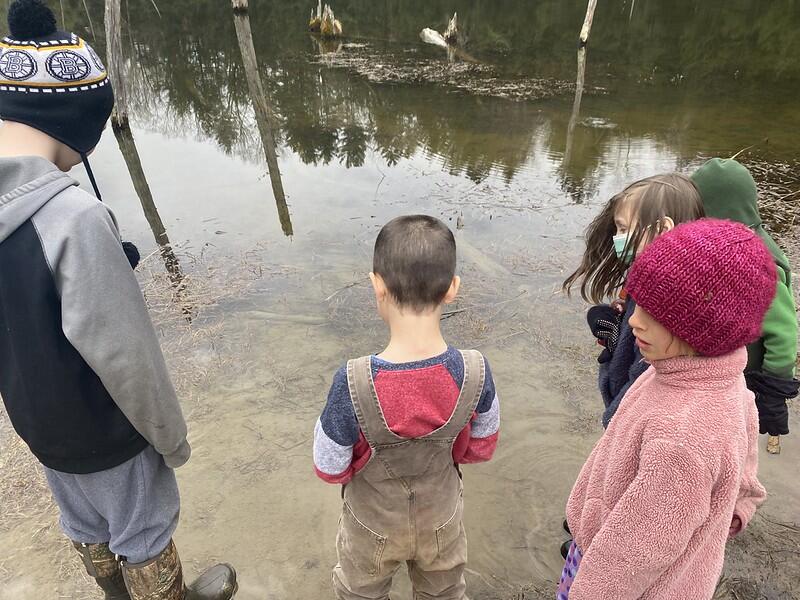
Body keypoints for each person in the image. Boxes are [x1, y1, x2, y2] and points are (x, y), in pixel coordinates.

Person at [0, 1, 236, 598]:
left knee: (82, 520)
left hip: (38, 426)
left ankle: (114, 594)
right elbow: (128, 359)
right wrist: (171, 437)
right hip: (108, 430)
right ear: (75, 122)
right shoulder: (73, 219)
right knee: (143, 528)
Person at [559, 219, 772, 599]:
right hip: (647, 562)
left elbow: (633, 556)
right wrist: (729, 510)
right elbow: (744, 468)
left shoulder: (682, 438)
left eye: (656, 314)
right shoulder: (713, 376)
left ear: (705, 328)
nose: (635, 321)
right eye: (638, 304)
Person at [313, 215, 500, 600]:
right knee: (445, 592)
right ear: (452, 289)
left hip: (371, 525)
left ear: (376, 286)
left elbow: (328, 466)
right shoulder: (475, 371)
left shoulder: (352, 382)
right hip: (442, 518)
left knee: (359, 592)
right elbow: (482, 446)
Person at [559, 173, 704, 557]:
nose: (616, 238)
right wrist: (617, 331)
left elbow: (649, 380)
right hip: (624, 408)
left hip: (635, 419)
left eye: (624, 229)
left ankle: (596, 547)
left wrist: (616, 416)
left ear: (663, 230)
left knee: (625, 488)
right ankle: (587, 527)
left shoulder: (673, 301)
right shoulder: (646, 281)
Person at [692, 158, 799, 455]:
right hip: (719, 373)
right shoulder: (721, 246)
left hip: (746, 378)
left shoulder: (760, 261)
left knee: (732, 450)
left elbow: (784, 332)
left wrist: (774, 391)